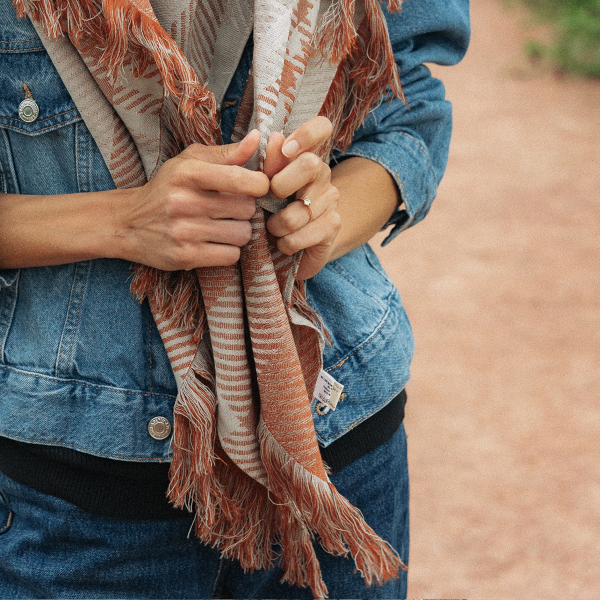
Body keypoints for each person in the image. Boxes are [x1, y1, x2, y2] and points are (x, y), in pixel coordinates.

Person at [0, 0, 470, 597]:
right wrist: (125, 221)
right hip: (80, 502)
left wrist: (325, 221)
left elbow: (410, 108)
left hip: (334, 447)